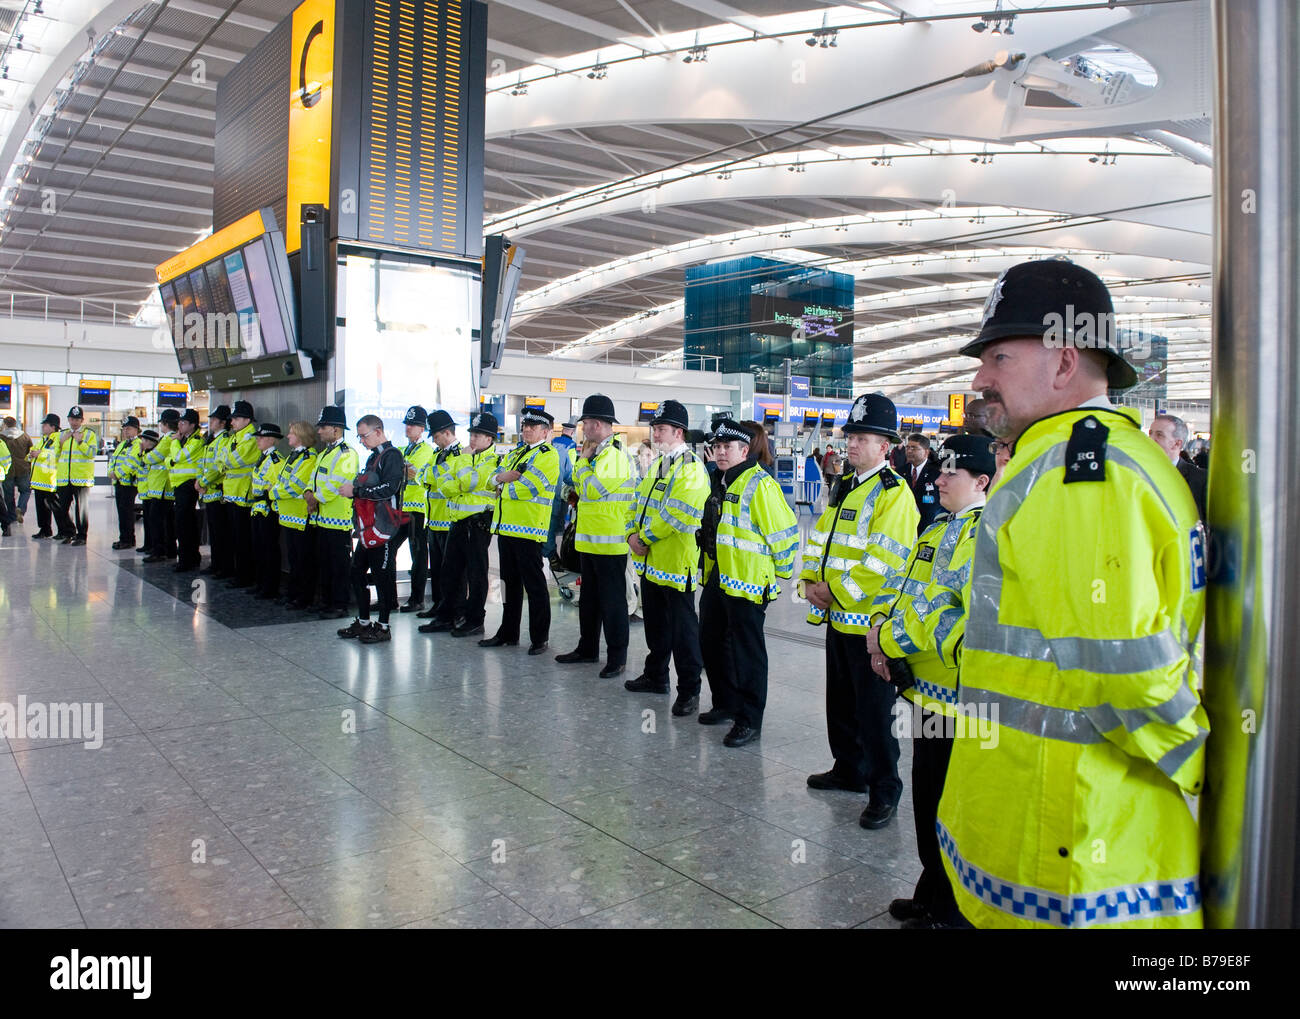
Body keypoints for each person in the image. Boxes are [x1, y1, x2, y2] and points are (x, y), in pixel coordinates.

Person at [937, 258, 1208, 929]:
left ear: (1063, 362)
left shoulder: (1073, 472)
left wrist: (1206, 770)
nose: (980, 377)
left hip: (1069, 856)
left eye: (999, 355)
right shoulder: (1098, 457)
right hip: (1085, 840)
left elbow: (1122, 663)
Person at [865, 434, 995, 929]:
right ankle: (931, 893)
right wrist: (880, 624)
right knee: (928, 798)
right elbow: (904, 586)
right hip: (925, 694)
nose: (938, 479)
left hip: (961, 704)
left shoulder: (984, 536)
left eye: (950, 474)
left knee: (953, 806)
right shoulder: (938, 529)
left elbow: (949, 614)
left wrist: (887, 640)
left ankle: (953, 912)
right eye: (939, 471)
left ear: (981, 481)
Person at [803, 393, 919, 829]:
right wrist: (808, 583)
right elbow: (819, 541)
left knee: (875, 713)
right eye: (850, 436)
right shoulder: (844, 487)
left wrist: (834, 591)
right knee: (841, 702)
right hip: (836, 619)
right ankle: (848, 769)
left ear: (884, 446)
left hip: (869, 624)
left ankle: (884, 788)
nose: (851, 444)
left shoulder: (894, 494)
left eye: (863, 438)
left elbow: (884, 561)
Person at [695, 417, 798, 746]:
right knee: (710, 639)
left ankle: (749, 719)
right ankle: (726, 702)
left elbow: (784, 533)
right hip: (721, 576)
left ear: (745, 450)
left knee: (747, 652)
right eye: (719, 446)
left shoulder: (758, 483)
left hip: (750, 582)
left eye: (729, 447)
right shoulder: (722, 481)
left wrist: (780, 572)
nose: (722, 451)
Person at [623, 399, 710, 717]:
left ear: (679, 432)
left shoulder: (691, 468)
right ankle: (656, 675)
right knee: (656, 628)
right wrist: (631, 534)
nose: (656, 433)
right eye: (654, 428)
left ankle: (689, 690)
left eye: (661, 428)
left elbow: (678, 514)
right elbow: (638, 504)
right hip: (651, 563)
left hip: (675, 564)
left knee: (683, 632)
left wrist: (643, 537)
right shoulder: (658, 465)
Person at [556, 394, 637, 678]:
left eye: (587, 423)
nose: (584, 428)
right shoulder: (598, 455)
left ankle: (617, 657)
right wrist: (583, 469)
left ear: (601, 424)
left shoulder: (613, 455)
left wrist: (582, 462)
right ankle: (587, 648)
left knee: (613, 604)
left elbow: (591, 489)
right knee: (589, 600)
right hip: (589, 541)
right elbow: (578, 487)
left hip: (610, 543)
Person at [482, 404, 560, 654]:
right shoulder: (517, 453)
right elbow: (489, 480)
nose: (526, 430)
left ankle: (540, 638)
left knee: (535, 586)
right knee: (508, 584)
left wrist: (503, 484)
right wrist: (504, 478)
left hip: (528, 529)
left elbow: (529, 487)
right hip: (506, 528)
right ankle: (508, 632)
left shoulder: (548, 455)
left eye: (532, 426)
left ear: (545, 431)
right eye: (525, 426)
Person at [420, 411, 499, 637]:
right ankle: (448, 615)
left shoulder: (493, 461)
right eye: (472, 433)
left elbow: (467, 482)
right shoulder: (466, 457)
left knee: (476, 574)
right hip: (457, 521)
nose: (473, 438)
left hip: (478, 523)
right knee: (450, 573)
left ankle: (475, 620)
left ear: (490, 439)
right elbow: (444, 486)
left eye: (479, 434)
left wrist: (462, 464)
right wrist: (459, 478)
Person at [338, 415, 406, 644]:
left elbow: (389, 488)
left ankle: (384, 626)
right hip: (368, 528)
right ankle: (364, 621)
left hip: (384, 528)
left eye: (364, 435)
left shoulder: (393, 456)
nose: (361, 440)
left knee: (382, 577)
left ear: (378, 431)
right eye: (359, 436)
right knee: (356, 573)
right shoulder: (373, 457)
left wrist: (356, 492)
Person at [306, 406, 359, 619]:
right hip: (322, 519)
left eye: (323, 427)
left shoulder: (347, 454)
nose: (319, 431)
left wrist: (314, 498)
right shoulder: (324, 454)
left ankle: (339, 605)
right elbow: (313, 478)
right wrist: (309, 492)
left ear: (336, 429)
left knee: (339, 566)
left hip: (338, 520)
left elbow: (336, 484)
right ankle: (326, 601)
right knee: (325, 563)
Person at [415, 409, 460, 620]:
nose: (433, 439)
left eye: (435, 435)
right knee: (437, 571)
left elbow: (441, 475)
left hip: (449, 520)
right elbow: (421, 476)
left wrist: (430, 474)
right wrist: (430, 474)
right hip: (433, 520)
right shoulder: (436, 454)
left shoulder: (458, 454)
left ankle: (450, 610)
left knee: (451, 572)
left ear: (447, 432)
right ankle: (438, 606)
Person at [272, 421, 319, 610]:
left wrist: (273, 493)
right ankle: (293, 593)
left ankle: (304, 597)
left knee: (303, 560)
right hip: (288, 515)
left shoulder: (308, 458)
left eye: (291, 433)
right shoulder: (294, 455)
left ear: (300, 436)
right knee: (293, 559)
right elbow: (281, 480)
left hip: (300, 516)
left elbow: (296, 486)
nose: (288, 436)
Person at [393, 405, 433, 613]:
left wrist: (401, 468)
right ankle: (390, 598)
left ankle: (417, 599)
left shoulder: (426, 450)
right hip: (401, 508)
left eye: (414, 425)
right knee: (389, 550)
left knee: (418, 554)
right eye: (407, 424)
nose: (408, 428)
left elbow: (411, 473)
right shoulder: (404, 449)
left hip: (417, 510)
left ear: (422, 428)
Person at [222, 400, 260, 588]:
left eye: (236, 418)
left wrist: (225, 459)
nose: (232, 422)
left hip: (244, 494)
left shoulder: (251, 437)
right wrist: (225, 459)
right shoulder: (235, 436)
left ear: (247, 419)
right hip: (232, 493)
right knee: (235, 538)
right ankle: (239, 574)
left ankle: (245, 577)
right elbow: (222, 457)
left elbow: (235, 460)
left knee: (243, 539)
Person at [249, 423, 285, 598]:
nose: (258, 440)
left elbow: (277, 485)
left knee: (269, 548)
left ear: (271, 439)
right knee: (259, 548)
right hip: (257, 508)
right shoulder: (262, 457)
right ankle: (260, 583)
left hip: (269, 509)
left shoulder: (276, 460)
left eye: (261, 437)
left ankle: (270, 587)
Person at [1150, 413, 1207, 522]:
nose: (1151, 439)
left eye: (1159, 435)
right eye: (1150, 433)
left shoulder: (1200, 480)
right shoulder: (1138, 473)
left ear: (1177, 444)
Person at [168, 408, 206, 572]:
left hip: (189, 485)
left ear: (192, 425)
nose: (180, 426)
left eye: (183, 423)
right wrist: (173, 456)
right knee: (182, 523)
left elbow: (176, 457)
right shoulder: (184, 439)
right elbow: (169, 460)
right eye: (179, 423)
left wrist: (175, 442)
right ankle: (186, 556)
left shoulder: (196, 440)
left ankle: (188, 559)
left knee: (186, 523)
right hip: (178, 484)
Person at [53, 406, 98, 546]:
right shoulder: (62, 434)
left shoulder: (89, 434)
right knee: (62, 508)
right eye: (72, 419)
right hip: (64, 478)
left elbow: (92, 453)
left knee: (81, 509)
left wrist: (80, 442)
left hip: (81, 478)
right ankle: (69, 532)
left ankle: (82, 536)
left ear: (82, 420)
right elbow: (55, 455)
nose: (74, 422)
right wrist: (61, 443)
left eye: (77, 419)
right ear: (68, 419)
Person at [198, 406, 234, 578]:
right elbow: (204, 463)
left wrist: (204, 481)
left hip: (217, 491)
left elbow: (219, 466)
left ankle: (223, 566)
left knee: (221, 532)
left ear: (223, 422)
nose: (210, 422)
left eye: (214, 419)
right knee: (213, 531)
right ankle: (215, 563)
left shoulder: (224, 439)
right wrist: (199, 480)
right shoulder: (210, 439)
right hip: (207, 491)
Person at [544, 417, 578, 571]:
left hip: (552, 498)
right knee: (553, 528)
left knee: (550, 529)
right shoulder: (569, 447)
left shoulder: (555, 442)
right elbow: (570, 473)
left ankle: (552, 556)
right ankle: (553, 557)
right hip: (555, 498)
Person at [109, 416, 143, 550]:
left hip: (129, 484)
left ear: (136, 429)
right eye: (124, 429)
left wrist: (117, 473)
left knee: (127, 512)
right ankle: (124, 538)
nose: (125, 431)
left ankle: (127, 539)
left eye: (128, 428)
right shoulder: (122, 444)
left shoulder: (137, 444)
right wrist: (111, 472)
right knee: (121, 512)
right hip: (119, 483)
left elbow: (132, 462)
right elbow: (113, 459)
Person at [28, 414, 61, 540]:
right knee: (41, 508)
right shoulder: (43, 439)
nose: (43, 427)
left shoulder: (57, 438)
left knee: (55, 507)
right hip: (39, 480)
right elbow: (34, 450)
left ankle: (63, 530)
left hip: (50, 480)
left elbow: (55, 454)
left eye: (45, 425)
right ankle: (44, 529)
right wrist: (31, 455)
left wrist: (40, 454)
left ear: (53, 427)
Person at [901, 432, 943, 533]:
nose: (909, 451)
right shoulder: (900, 472)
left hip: (928, 527)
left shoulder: (937, 473)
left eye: (914, 448)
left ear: (926, 452)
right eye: (907, 447)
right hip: (904, 527)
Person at [1, 416, 32, 527]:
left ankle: (12, 516)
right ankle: (21, 508)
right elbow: (30, 452)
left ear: (5, 424)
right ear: (15, 424)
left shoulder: (1, 437)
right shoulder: (25, 436)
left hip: (7, 470)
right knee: (26, 491)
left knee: (9, 495)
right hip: (23, 469)